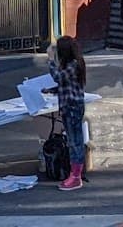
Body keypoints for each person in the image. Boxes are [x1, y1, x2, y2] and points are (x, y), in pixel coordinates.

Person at [49, 34, 88, 191]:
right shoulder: (69, 64)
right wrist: (51, 90)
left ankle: (76, 176)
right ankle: (74, 173)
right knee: (73, 141)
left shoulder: (73, 64)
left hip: (72, 107)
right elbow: (65, 84)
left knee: (74, 142)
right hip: (68, 106)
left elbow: (58, 77)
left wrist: (51, 60)